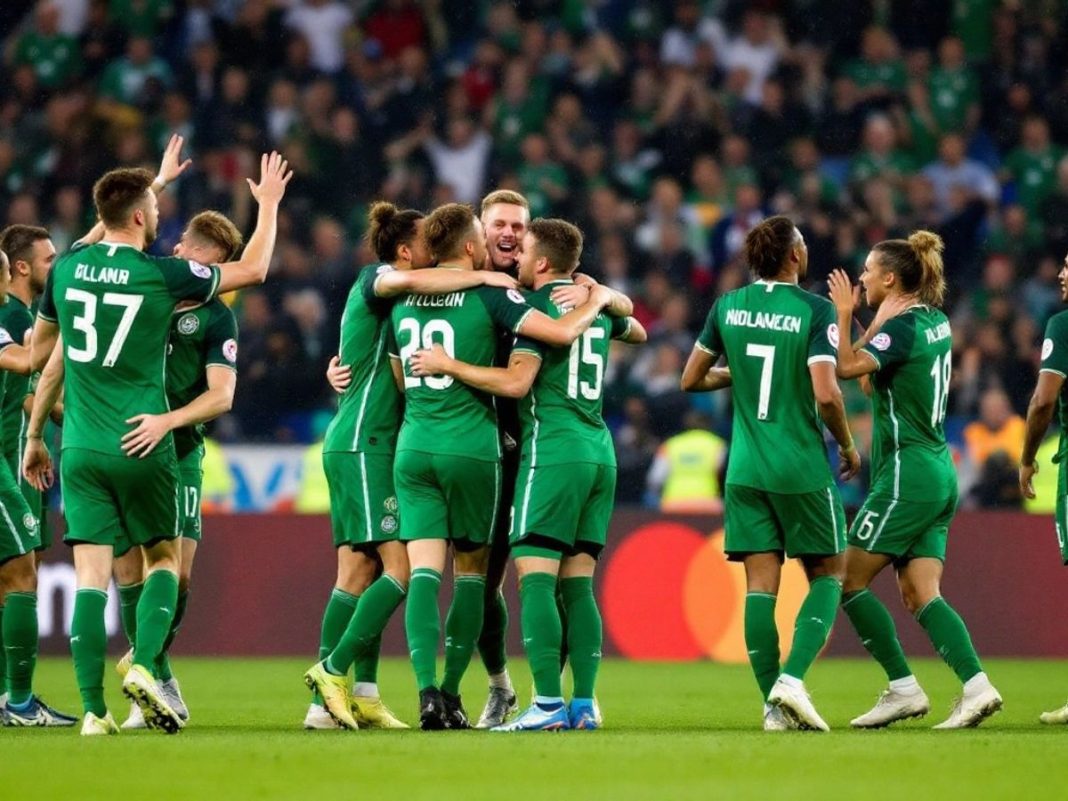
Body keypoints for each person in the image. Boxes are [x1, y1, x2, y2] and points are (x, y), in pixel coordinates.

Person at [23, 150, 292, 735]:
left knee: (91, 578)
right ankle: (146, 665)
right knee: (164, 559)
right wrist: (268, 205)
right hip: (144, 442)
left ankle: (93, 711)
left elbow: (45, 362)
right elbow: (253, 271)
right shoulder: (162, 276)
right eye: (154, 206)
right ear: (144, 218)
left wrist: (35, 434)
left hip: (81, 447)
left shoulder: (69, 269)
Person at [409, 217, 645, 731]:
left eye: (524, 249)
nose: (513, 257)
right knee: (578, 586)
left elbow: (517, 383)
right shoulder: (592, 305)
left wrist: (451, 365)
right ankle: (584, 705)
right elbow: (640, 329)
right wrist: (603, 296)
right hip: (599, 451)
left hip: (552, 451)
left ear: (540, 262)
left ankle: (545, 705)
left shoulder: (535, 307)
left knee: (534, 579)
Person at [302, 201, 522, 732]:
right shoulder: (384, 280)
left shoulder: (406, 301)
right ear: (405, 253)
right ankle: (328, 686)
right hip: (371, 441)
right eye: (429, 244)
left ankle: (366, 692)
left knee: (384, 569)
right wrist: (485, 276)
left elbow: (387, 364)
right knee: (380, 571)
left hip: (398, 440)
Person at [681, 215, 860, 732]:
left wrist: (737, 372)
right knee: (829, 572)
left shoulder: (727, 306)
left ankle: (770, 708)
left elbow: (691, 377)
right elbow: (827, 392)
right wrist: (847, 444)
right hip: (800, 467)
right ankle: (793, 680)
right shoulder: (814, 309)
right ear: (794, 257)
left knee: (761, 587)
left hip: (744, 470)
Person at [828, 231, 1002, 729]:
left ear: (890, 277)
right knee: (920, 593)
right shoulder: (933, 321)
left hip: (906, 471)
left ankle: (903, 688)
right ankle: (976, 686)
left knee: (845, 577)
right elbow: (873, 370)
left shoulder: (900, 330)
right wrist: (868, 319)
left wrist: (843, 313)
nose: (859, 279)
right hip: (937, 468)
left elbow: (847, 368)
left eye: (866, 271)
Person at [108, 210, 244, 730]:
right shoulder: (148, 287)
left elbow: (222, 395)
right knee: (127, 566)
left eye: (188, 244)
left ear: (209, 258)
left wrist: (168, 421)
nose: (178, 249)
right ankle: (152, 673)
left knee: (178, 573)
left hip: (181, 449)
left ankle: (150, 664)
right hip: (125, 443)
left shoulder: (215, 318)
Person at [0, 240, 75, 727]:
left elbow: (27, 388)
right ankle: (20, 703)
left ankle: (15, 699)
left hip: (13, 456)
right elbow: (28, 367)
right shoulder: (10, 319)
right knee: (21, 573)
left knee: (18, 574)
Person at [1021, 249, 1068, 725]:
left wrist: (1027, 456)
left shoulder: (1063, 325)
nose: (1060, 272)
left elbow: (1043, 400)